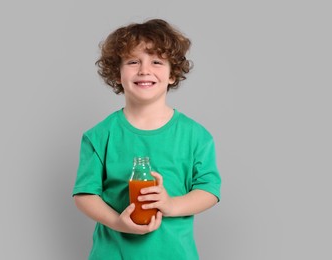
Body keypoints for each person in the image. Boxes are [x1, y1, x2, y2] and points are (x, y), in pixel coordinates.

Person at [72, 18, 221, 259]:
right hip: (113, 253)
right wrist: (117, 222)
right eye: (133, 61)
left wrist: (171, 205)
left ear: (172, 75)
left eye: (156, 61)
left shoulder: (196, 136)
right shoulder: (98, 136)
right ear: (117, 74)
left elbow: (209, 190)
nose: (144, 70)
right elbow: (85, 195)